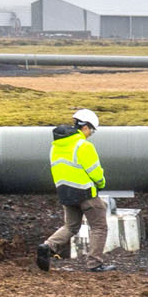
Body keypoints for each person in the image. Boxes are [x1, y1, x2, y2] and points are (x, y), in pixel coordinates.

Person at [39, 109, 106, 271]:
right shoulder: (84, 145)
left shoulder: (55, 146)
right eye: (92, 130)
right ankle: (95, 264)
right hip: (85, 193)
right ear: (85, 127)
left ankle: (47, 246)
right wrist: (101, 183)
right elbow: (95, 171)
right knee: (99, 227)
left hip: (65, 193)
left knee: (71, 226)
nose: (91, 134)